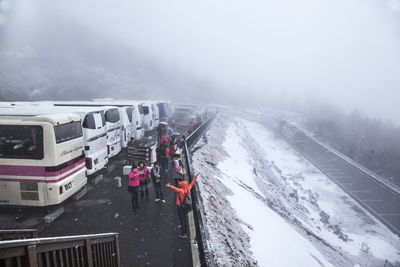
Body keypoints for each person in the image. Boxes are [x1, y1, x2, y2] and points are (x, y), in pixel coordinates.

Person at [165, 174, 199, 238]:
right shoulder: (187, 189)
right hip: (185, 206)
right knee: (185, 218)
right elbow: (191, 184)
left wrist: (169, 185)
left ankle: (184, 233)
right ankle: (184, 229)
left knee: (182, 219)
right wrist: (195, 178)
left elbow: (174, 188)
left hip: (180, 207)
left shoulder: (180, 191)